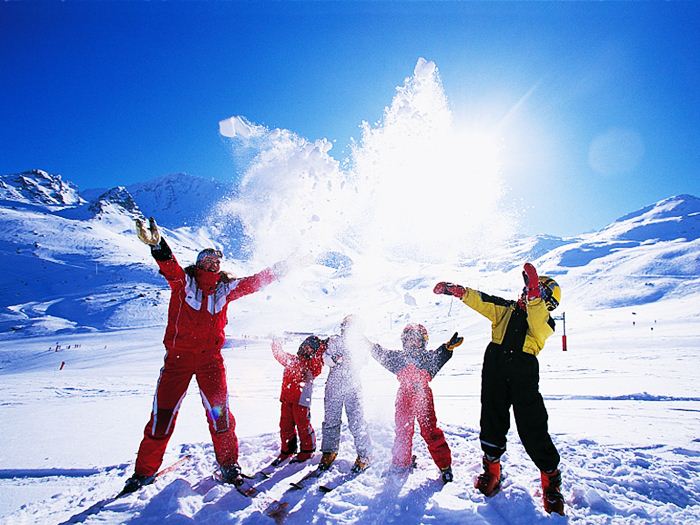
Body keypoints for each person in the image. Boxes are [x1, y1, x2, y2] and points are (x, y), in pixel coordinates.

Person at [122, 217, 285, 493]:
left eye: (217, 261)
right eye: (207, 259)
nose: (213, 263)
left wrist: (286, 267)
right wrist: (157, 245)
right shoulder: (184, 283)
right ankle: (143, 472)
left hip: (211, 363)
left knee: (220, 416)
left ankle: (229, 464)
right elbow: (169, 267)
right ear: (198, 263)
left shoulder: (225, 290)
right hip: (177, 362)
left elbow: (255, 281)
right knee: (162, 416)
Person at [433, 262, 565, 515]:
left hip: (523, 370)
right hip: (495, 366)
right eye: (528, 289)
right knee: (492, 419)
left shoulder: (545, 322)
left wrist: (536, 296)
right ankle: (491, 469)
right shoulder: (506, 309)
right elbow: (483, 301)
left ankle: (551, 482)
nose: (528, 293)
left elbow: (536, 320)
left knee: (532, 425)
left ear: (548, 302)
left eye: (536, 291)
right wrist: (458, 291)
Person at [371, 324, 463, 483]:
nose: (413, 344)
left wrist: (447, 348)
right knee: (403, 430)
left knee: (430, 431)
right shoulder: (399, 358)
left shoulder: (428, 358)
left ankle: (444, 466)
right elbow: (381, 354)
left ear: (423, 342)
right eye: (409, 340)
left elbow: (440, 356)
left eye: (416, 340)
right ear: (403, 342)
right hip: (404, 397)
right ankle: (401, 463)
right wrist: (367, 345)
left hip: (423, 396)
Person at [318, 315, 372, 473]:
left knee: (356, 421)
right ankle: (329, 451)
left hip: (352, 386)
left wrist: (352, 359)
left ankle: (365, 455)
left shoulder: (360, 344)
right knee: (330, 420)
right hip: (334, 385)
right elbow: (325, 357)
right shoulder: (334, 340)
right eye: (346, 326)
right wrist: (334, 359)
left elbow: (364, 360)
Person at [272, 335, 326, 464]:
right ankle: (287, 450)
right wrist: (276, 343)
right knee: (285, 426)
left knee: (303, 424)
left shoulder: (313, 365)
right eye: (305, 346)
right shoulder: (292, 360)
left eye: (311, 348)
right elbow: (279, 355)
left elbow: (317, 364)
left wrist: (320, 348)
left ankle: (307, 451)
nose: (307, 349)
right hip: (286, 399)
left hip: (301, 400)